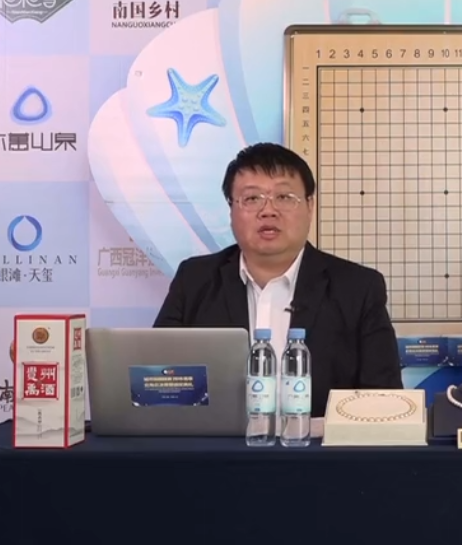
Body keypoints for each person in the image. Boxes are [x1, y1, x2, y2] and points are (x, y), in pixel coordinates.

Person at [153, 143, 404, 417]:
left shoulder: (357, 288)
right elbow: (157, 380)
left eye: (284, 197)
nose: (268, 211)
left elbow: (384, 398)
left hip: (320, 443)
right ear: (231, 210)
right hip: (214, 443)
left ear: (310, 206)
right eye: (252, 198)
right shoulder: (194, 280)